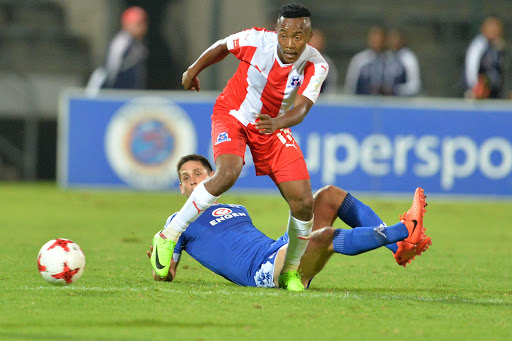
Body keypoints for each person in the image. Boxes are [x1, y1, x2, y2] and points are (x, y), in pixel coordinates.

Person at [150, 3, 329, 291]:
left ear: (309, 36)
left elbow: (302, 108)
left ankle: (291, 271)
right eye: (284, 35)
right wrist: (193, 70)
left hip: (272, 127)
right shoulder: (257, 40)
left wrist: (278, 122)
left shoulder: (316, 64)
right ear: (277, 31)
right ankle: (169, 235)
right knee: (228, 172)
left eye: (298, 37)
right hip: (233, 114)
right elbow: (222, 47)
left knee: (304, 203)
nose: (289, 43)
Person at [147, 154, 432, 288]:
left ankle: (399, 248)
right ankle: (406, 229)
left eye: (198, 173)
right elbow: (166, 272)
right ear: (182, 189)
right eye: (185, 178)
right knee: (325, 236)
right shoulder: (176, 223)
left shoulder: (238, 208)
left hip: (279, 248)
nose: (192, 180)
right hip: (264, 272)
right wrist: (159, 266)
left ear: (212, 177)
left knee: (330, 195)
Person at [86, 6, 148, 94]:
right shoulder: (121, 42)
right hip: (116, 90)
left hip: (131, 91)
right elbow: (110, 68)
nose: (142, 27)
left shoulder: (139, 44)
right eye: (138, 24)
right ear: (126, 24)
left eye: (143, 24)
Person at [463, 16, 505, 99]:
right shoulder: (478, 45)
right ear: (483, 29)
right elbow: (471, 67)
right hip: (480, 94)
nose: (494, 30)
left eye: (496, 27)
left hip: (496, 93)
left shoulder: (499, 47)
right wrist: (473, 87)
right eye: (490, 27)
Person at [344, 26, 388, 95]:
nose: (376, 41)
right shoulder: (359, 60)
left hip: (386, 102)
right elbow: (351, 84)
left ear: (384, 40)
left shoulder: (390, 60)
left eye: (379, 38)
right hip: (362, 101)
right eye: (374, 38)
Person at [384, 28, 422, 96]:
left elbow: (415, 85)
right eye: (391, 38)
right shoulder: (385, 56)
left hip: (403, 101)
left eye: (395, 38)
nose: (393, 41)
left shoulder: (408, 58)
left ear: (402, 40)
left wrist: (396, 90)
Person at [309, 28, 338, 94]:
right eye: (313, 40)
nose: (315, 43)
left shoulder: (327, 63)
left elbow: (331, 89)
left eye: (318, 41)